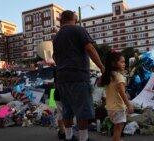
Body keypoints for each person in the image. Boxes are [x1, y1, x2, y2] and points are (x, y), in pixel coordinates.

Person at [53, 10, 105, 141]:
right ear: (75, 18)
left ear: (61, 20)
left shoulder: (57, 36)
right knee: (83, 108)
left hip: (61, 77)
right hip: (78, 75)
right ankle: (83, 138)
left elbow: (55, 57)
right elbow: (90, 48)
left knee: (67, 109)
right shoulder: (78, 30)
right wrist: (102, 67)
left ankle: (69, 137)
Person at [100, 52, 134, 141]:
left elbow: (99, 84)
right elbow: (122, 93)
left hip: (110, 108)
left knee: (116, 127)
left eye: (124, 62)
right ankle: (116, 139)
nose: (124, 64)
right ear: (113, 63)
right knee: (118, 130)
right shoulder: (119, 77)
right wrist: (129, 105)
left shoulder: (109, 76)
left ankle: (117, 139)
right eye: (122, 62)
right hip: (118, 108)